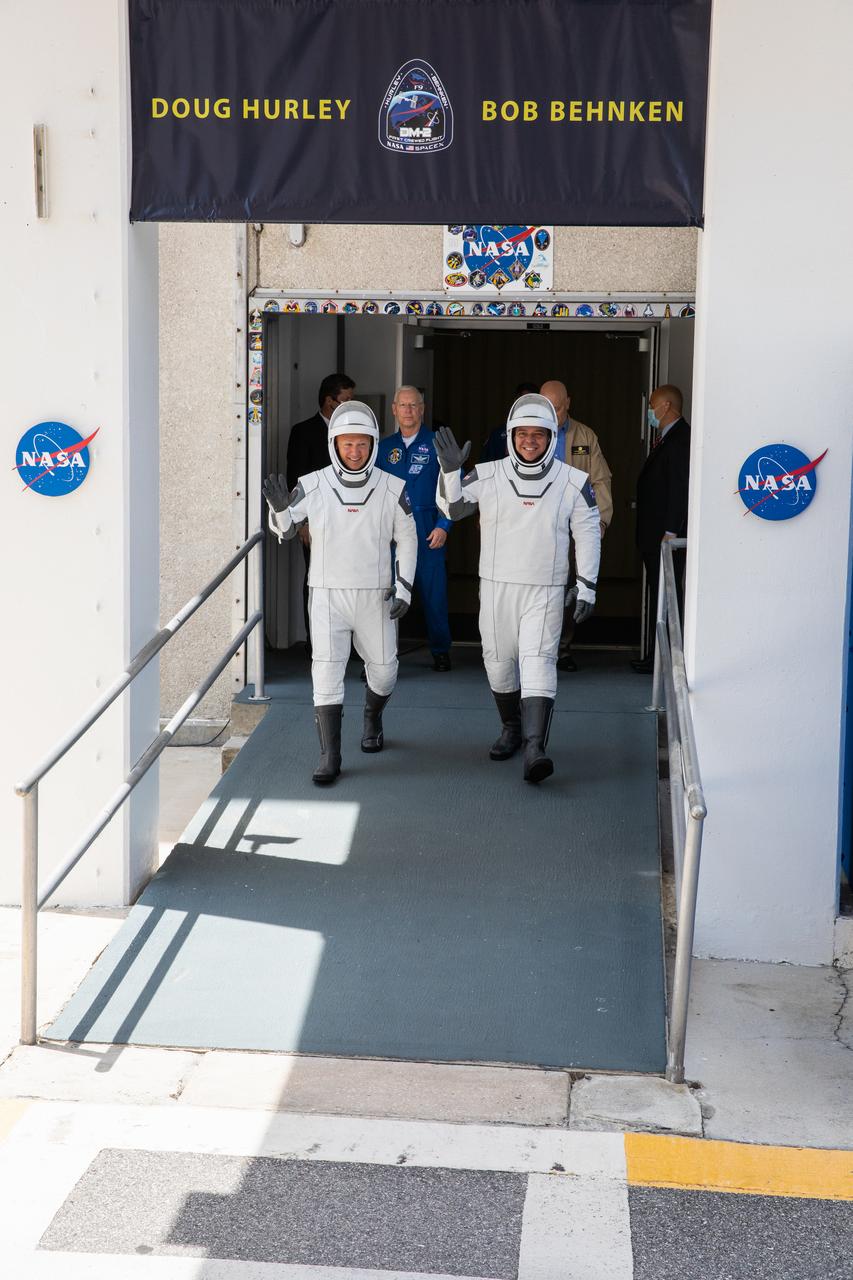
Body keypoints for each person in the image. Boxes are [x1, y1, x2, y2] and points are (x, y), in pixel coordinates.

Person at [435, 394, 601, 784]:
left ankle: (534, 747)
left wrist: (587, 585)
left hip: (545, 588)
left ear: (550, 437)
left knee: (539, 661)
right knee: (497, 662)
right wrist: (449, 473)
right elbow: (451, 510)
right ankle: (511, 727)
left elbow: (589, 532)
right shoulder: (487, 473)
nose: (530, 441)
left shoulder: (573, 481)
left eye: (538, 434)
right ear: (511, 435)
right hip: (495, 587)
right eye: (523, 433)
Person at [264, 401, 418, 785]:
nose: (355, 451)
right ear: (334, 444)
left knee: (384, 672)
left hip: (376, 595)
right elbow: (283, 532)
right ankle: (329, 754)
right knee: (326, 672)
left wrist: (405, 587)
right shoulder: (312, 484)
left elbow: (409, 537)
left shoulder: (392, 487)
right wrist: (279, 510)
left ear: (372, 445)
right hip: (327, 594)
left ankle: (372, 714)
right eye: (347, 444)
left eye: (362, 444)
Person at [376, 385, 453, 671]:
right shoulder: (383, 448)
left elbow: (451, 489)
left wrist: (445, 525)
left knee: (434, 596)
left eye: (414, 405)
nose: (408, 411)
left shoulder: (437, 444)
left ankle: (441, 650)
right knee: (387, 594)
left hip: (427, 528)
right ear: (394, 409)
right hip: (392, 532)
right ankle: (381, 655)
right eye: (403, 405)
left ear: (422, 409)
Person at [539, 380, 613, 672]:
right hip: (538, 526)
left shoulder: (585, 435)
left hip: (574, 527)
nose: (552, 413)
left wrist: (601, 521)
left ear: (567, 403)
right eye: (546, 406)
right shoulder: (529, 434)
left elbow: (601, 480)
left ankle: (562, 648)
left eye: (556, 407)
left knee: (570, 587)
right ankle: (535, 647)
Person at [285, 373, 356, 653]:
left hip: (351, 519)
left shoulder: (353, 430)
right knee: (316, 579)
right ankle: (317, 643)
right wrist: (301, 522)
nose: (351, 406)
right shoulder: (303, 432)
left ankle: (349, 644)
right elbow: (295, 481)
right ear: (329, 401)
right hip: (316, 521)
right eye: (347, 400)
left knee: (350, 580)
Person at [633, 384, 691, 674]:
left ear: (666, 406)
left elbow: (680, 488)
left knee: (667, 596)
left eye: (652, 405)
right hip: (655, 535)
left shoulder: (680, 439)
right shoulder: (667, 438)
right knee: (659, 594)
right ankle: (658, 658)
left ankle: (665, 662)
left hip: (665, 536)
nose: (650, 412)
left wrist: (671, 530)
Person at [479, 382, 539, 462]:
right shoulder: (498, 434)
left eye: (530, 402)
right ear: (515, 401)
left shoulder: (543, 434)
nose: (525, 406)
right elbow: (485, 465)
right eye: (522, 401)